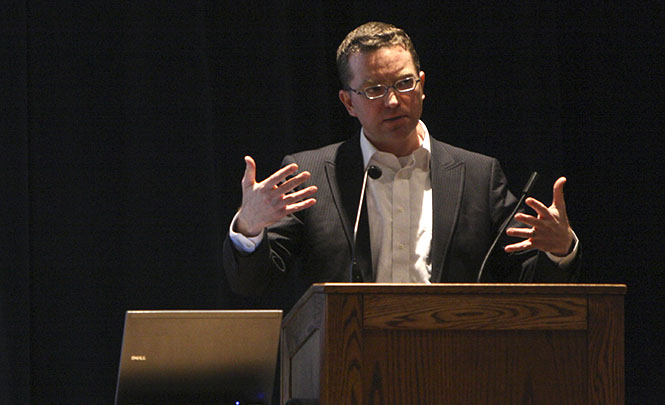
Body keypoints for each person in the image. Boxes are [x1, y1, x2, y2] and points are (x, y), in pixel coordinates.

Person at [223, 22, 580, 297]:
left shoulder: (478, 175)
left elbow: (528, 280)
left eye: (404, 83)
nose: (393, 101)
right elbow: (252, 283)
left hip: (456, 365)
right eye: (375, 89)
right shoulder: (312, 173)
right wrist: (250, 228)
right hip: (347, 367)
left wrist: (560, 249)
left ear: (422, 84)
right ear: (348, 102)